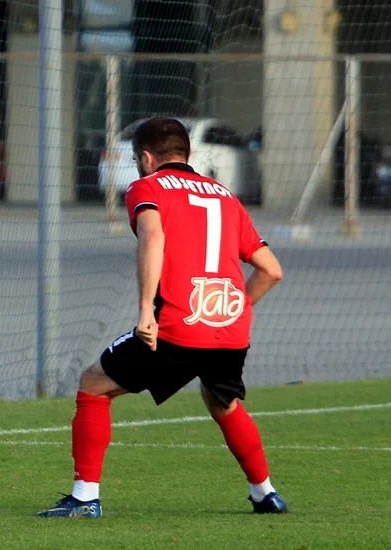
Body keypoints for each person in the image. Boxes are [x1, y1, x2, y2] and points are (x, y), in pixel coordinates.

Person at [36, 117, 287, 518]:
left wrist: (144, 311)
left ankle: (84, 497)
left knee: (93, 384)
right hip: (229, 328)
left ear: (147, 157)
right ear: (186, 154)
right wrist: (230, 307)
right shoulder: (225, 196)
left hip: (176, 325)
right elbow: (271, 270)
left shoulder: (147, 187)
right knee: (222, 401)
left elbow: (153, 236)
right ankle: (266, 493)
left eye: (138, 159)